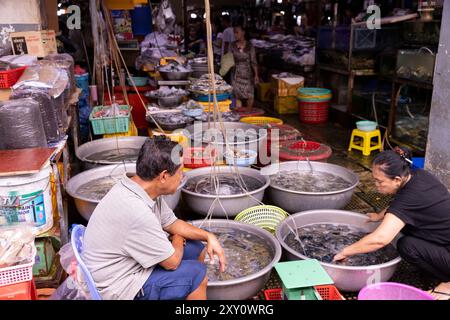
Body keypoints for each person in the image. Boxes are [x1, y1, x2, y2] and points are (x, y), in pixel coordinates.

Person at [83, 136, 226, 300]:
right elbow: (172, 263)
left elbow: (171, 223)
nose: (182, 177)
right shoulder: (136, 211)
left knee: (196, 247)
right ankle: (190, 287)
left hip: (131, 266)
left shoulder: (139, 187)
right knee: (197, 274)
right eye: (180, 172)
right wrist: (178, 239)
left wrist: (208, 236)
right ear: (164, 176)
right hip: (121, 287)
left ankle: (183, 291)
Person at [333, 147, 450, 300]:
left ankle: (447, 283)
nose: (376, 185)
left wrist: (345, 251)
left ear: (396, 179)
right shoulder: (417, 176)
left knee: (407, 246)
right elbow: (399, 205)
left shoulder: (410, 196)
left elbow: (380, 239)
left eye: (379, 181)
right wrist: (378, 216)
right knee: (407, 230)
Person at [229, 25, 259, 111]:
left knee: (250, 95)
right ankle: (238, 115)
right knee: (236, 94)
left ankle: (249, 112)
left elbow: (254, 61)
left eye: (237, 32)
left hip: (247, 74)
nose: (235, 34)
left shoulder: (250, 46)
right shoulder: (232, 45)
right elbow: (228, 58)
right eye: (234, 32)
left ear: (243, 32)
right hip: (235, 74)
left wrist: (256, 75)